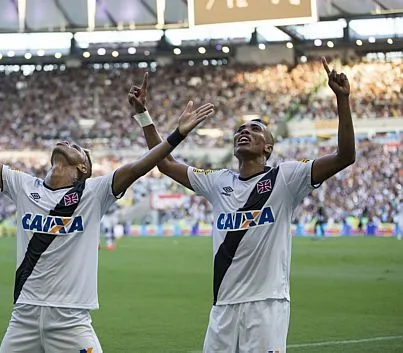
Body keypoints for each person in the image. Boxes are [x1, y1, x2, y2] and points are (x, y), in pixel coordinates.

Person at [0, 81, 214, 352]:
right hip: (24, 318)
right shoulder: (23, 186)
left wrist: (177, 133)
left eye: (78, 148)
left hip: (70, 320)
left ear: (83, 168)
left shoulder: (94, 193)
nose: (69, 143)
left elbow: (140, 166)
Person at [129, 58, 355, 352]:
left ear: (268, 148)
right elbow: (166, 164)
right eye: (240, 130)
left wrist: (342, 100)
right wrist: (145, 116)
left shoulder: (286, 178)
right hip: (223, 307)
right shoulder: (218, 181)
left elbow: (345, 156)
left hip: (266, 306)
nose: (244, 132)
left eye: (255, 129)